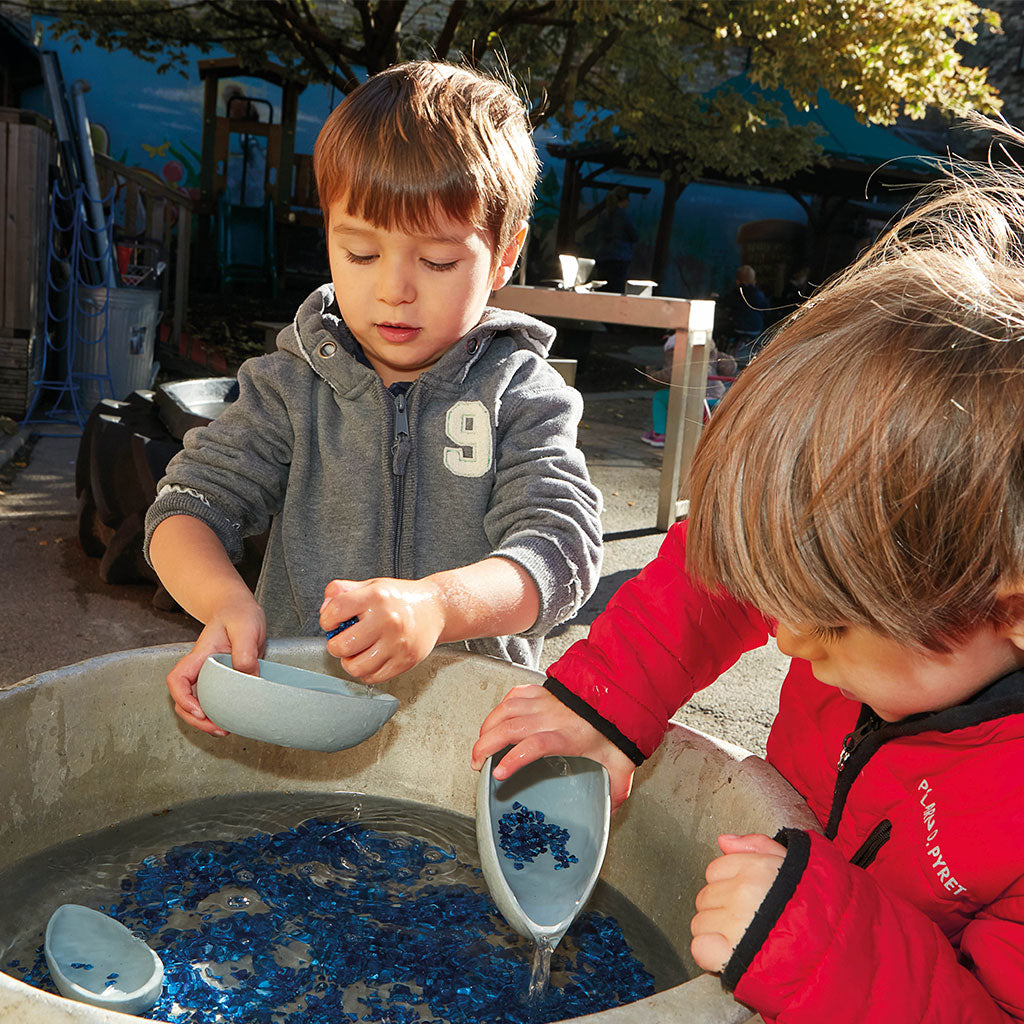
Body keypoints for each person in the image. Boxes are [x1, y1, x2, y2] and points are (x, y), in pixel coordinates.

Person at [473, 140, 1024, 1022]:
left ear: (1009, 607)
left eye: (831, 628)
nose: (787, 640)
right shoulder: (873, 588)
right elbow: (720, 565)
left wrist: (826, 951)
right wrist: (609, 700)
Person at [145, 61, 604, 736]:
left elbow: (561, 548)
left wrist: (440, 607)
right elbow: (187, 508)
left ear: (505, 256)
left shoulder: (522, 394)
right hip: (303, 715)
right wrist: (223, 604)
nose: (395, 289)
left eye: (439, 262)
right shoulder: (290, 386)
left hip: (470, 728)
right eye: (360, 253)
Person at [640, 332, 737, 447]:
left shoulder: (676, 351)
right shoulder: (711, 351)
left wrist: (652, 374)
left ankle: (660, 434)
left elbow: (671, 374)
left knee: (661, 397)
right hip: (715, 397)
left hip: (690, 397)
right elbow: (729, 369)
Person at [715, 264, 769, 363]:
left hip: (739, 328)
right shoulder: (759, 294)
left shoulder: (738, 292)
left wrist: (716, 298)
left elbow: (726, 302)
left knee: (720, 329)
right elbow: (766, 309)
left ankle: (725, 356)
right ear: (754, 280)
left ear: (737, 281)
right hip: (756, 328)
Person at [592, 186, 638, 294]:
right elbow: (635, 236)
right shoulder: (624, 216)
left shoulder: (604, 214)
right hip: (619, 259)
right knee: (616, 292)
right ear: (625, 200)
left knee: (602, 290)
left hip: (602, 258)